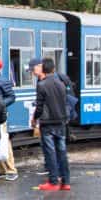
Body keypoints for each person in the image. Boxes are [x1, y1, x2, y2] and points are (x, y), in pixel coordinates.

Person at [31, 57, 70, 191]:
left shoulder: (42, 85)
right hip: (61, 121)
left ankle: (53, 181)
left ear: (44, 69)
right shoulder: (61, 83)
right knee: (62, 151)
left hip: (47, 123)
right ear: (53, 69)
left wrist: (34, 118)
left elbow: (40, 106)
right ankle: (65, 182)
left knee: (50, 152)